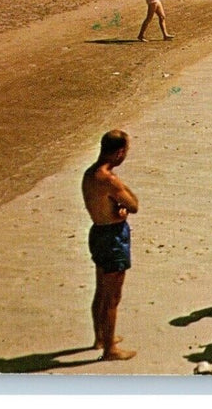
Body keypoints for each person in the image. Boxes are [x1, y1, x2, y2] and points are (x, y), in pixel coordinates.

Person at [82, 129, 139, 361]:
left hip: (98, 231)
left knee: (101, 291)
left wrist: (117, 207)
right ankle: (110, 350)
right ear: (119, 152)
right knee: (112, 297)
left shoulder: (89, 174)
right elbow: (134, 204)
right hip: (113, 237)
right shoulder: (109, 179)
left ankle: (100, 337)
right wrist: (122, 204)